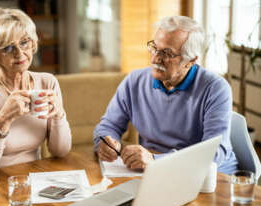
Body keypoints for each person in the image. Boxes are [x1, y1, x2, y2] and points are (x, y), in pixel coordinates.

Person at [94, 16, 238, 174]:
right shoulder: (134, 82)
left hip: (210, 177)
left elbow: (214, 154)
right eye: (154, 48)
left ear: (190, 61)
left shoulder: (216, 89)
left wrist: (156, 161)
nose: (156, 58)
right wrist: (106, 142)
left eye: (167, 53)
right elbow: (108, 126)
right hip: (156, 174)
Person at [0, 8, 71, 175]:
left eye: (24, 42)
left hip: (28, 179)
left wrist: (59, 115)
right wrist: (3, 120)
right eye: (8, 47)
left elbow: (60, 151)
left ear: (33, 43)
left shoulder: (47, 82)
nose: (20, 53)